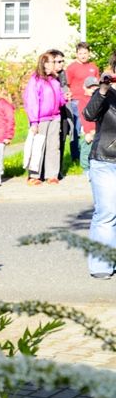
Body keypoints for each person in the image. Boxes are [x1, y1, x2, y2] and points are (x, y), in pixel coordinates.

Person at [82, 72, 116, 279]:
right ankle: (101, 265)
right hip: (106, 160)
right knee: (107, 212)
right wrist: (103, 89)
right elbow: (88, 114)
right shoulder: (105, 93)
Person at [22, 52, 64, 185]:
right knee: (38, 147)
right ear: (45, 63)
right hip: (41, 119)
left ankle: (52, 175)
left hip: (55, 117)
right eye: (52, 62)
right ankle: (34, 176)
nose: (55, 64)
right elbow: (32, 102)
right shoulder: (35, 80)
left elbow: (59, 99)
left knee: (53, 147)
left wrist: (64, 98)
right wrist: (34, 122)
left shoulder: (54, 80)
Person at [65, 42, 99, 171]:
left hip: (92, 101)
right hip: (77, 101)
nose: (83, 56)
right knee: (78, 130)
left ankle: (92, 154)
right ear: (76, 54)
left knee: (92, 128)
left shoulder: (93, 67)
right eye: (80, 53)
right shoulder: (72, 68)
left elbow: (97, 83)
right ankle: (76, 157)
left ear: (89, 53)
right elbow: (67, 85)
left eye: (85, 53)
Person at [49, 48, 76, 171]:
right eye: (58, 61)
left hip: (64, 112)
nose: (61, 64)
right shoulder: (45, 77)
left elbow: (66, 90)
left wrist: (67, 96)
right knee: (50, 144)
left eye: (62, 61)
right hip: (50, 115)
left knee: (61, 140)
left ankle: (57, 170)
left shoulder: (63, 75)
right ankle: (44, 171)